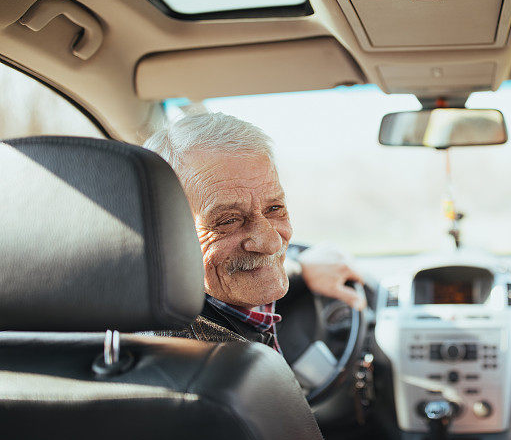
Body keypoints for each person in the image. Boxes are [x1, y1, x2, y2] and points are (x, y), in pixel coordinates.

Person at [143, 112, 365, 348]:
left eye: (274, 208)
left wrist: (300, 269)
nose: (272, 242)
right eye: (229, 220)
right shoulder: (209, 368)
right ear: (164, 234)